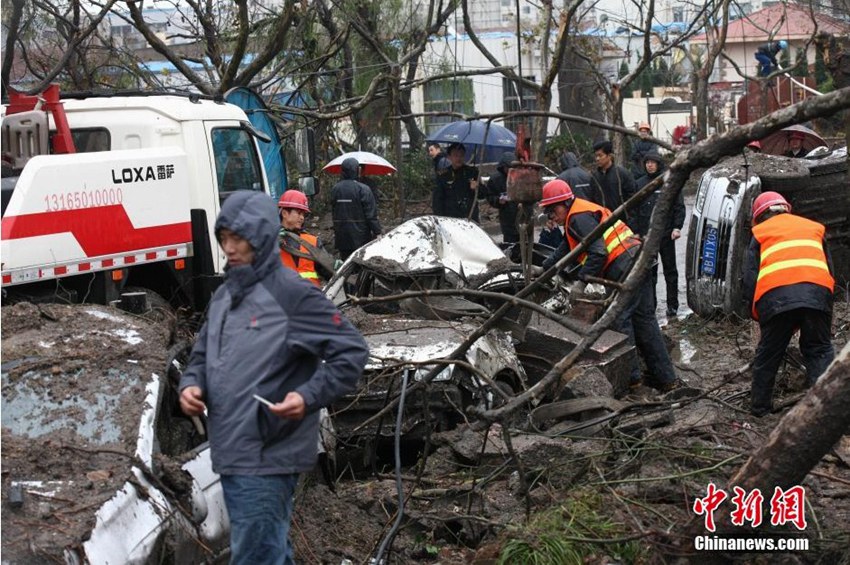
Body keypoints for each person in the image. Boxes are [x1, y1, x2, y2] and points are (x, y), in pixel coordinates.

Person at [178, 191, 369, 565]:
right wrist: (191, 384)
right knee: (268, 551)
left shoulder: (293, 294)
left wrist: (307, 395)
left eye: (239, 239)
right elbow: (202, 354)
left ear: (262, 237)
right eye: (224, 239)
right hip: (229, 449)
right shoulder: (223, 296)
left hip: (269, 451)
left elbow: (352, 352)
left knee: (255, 555)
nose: (229, 248)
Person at [539, 179, 677, 392]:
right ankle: (667, 379)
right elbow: (566, 247)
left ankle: (633, 382)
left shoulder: (578, 217)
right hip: (639, 259)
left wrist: (581, 282)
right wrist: (545, 268)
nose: (552, 217)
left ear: (565, 203)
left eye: (552, 210)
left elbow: (598, 252)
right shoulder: (578, 214)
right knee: (645, 320)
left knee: (621, 321)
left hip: (624, 265)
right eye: (548, 212)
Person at [742, 191, 834, 417]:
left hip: (776, 298)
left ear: (760, 216)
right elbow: (830, 270)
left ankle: (760, 409)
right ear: (785, 208)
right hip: (817, 294)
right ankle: (827, 412)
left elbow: (749, 279)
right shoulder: (812, 227)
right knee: (819, 350)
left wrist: (759, 314)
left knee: (769, 353)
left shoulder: (760, 233)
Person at [634, 152, 685, 317]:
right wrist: (636, 232)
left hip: (667, 234)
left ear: (658, 164)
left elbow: (679, 205)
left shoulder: (669, 182)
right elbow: (634, 209)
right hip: (647, 237)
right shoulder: (640, 184)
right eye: (647, 162)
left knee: (670, 272)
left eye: (653, 162)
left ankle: (672, 306)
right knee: (650, 273)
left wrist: (677, 227)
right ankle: (651, 306)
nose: (649, 165)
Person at [330, 157, 383, 260]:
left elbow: (334, 211)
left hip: (342, 236)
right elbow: (371, 215)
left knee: (345, 264)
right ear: (356, 170)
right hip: (360, 236)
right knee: (360, 263)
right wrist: (378, 232)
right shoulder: (363, 189)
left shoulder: (335, 189)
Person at [277, 190, 332, 287]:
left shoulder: (312, 241)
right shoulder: (269, 240)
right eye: (298, 213)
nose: (302, 218)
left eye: (303, 214)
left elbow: (329, 272)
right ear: (285, 213)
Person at [589, 140, 637, 228]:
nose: (597, 159)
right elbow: (592, 200)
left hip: (622, 223)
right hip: (601, 224)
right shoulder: (594, 177)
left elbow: (632, 199)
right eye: (596, 156)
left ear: (609, 156)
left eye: (600, 155)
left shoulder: (622, 174)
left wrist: (630, 222)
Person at [433, 142, 480, 222]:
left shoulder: (472, 172)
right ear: (449, 157)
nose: (459, 158)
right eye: (455, 155)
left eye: (461, 155)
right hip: (451, 218)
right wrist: (440, 219)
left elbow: (483, 194)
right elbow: (437, 200)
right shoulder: (443, 175)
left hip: (469, 216)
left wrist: (477, 188)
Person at [484, 151, 519, 243]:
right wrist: (498, 201)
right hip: (507, 216)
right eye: (508, 168)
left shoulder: (519, 177)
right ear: (503, 167)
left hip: (520, 214)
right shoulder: (495, 179)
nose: (511, 171)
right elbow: (489, 196)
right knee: (510, 242)